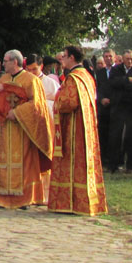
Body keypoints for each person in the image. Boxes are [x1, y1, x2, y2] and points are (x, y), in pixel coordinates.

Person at [0, 50, 53, 209]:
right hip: (4, 129)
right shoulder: (3, 79)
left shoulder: (31, 80)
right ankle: (3, 196)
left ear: (15, 62)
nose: (3, 64)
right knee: (3, 160)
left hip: (22, 130)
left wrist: (16, 113)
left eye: (6, 61)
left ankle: (24, 198)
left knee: (23, 163)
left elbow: (37, 105)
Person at [48, 45, 107, 216]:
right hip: (84, 128)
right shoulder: (87, 76)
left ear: (72, 58)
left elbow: (68, 103)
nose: (62, 60)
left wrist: (56, 100)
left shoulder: (74, 78)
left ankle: (70, 203)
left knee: (72, 163)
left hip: (73, 130)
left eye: (64, 56)